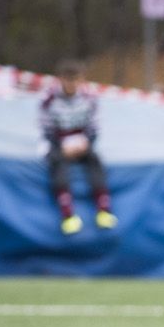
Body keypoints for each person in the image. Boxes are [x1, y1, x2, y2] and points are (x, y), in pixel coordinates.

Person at [39, 60, 114, 236]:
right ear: (61, 80)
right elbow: (45, 129)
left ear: (81, 80)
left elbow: (95, 126)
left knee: (95, 160)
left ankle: (103, 210)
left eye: (76, 80)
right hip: (59, 144)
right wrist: (60, 146)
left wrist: (86, 142)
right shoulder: (49, 100)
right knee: (58, 165)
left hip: (82, 143)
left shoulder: (89, 98)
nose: (72, 84)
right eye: (68, 80)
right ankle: (67, 214)